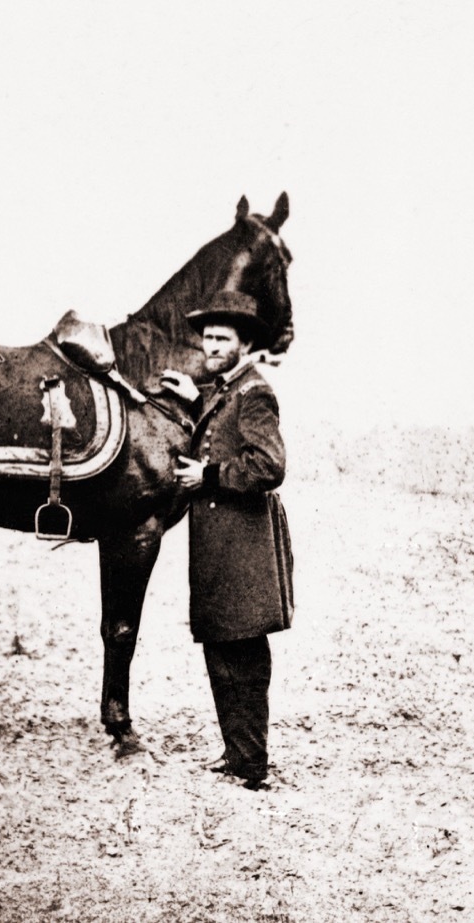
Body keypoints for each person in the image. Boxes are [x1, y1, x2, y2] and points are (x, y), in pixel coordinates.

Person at [160, 290, 294, 791]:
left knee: (245, 653)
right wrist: (195, 399)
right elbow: (221, 421)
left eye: (223, 339)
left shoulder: (255, 392)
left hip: (243, 545)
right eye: (209, 338)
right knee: (220, 648)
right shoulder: (223, 390)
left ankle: (253, 764)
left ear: (245, 343)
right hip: (220, 545)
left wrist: (210, 476)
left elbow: (269, 466)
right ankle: (235, 754)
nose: (212, 346)